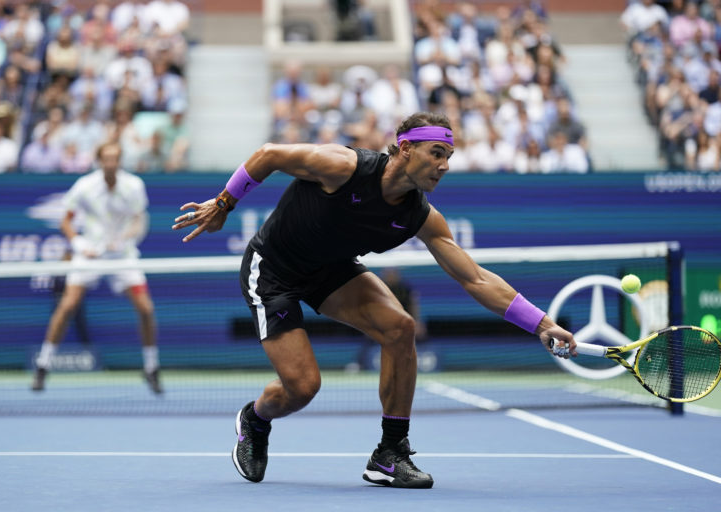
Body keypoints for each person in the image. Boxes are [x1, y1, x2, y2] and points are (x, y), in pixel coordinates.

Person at [172, 112, 577, 488]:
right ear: (406, 148)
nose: (444, 165)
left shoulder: (421, 216)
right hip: (274, 271)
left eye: (449, 157)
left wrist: (542, 324)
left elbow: (476, 278)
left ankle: (389, 453)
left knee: (400, 328)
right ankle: (256, 419)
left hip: (331, 271)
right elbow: (270, 155)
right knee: (303, 387)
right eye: (437, 153)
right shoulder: (344, 167)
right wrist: (223, 204)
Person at [32, 141, 162, 394]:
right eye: (107, 159)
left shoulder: (134, 185)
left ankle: (151, 367)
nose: (111, 163)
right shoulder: (85, 186)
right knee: (67, 305)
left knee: (146, 309)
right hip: (89, 255)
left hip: (122, 256)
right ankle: (43, 365)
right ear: (100, 161)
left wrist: (125, 239)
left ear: (120, 161)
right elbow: (66, 221)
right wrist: (79, 244)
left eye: (115, 159)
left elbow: (138, 221)